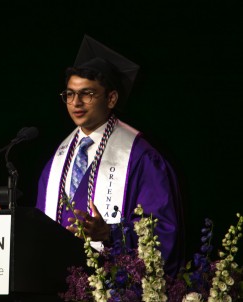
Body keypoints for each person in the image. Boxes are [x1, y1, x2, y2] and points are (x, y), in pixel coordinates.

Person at [35, 34, 185, 276]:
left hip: (114, 292)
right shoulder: (58, 160)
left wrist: (110, 234)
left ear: (111, 98)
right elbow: (40, 225)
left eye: (87, 94)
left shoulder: (141, 157)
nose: (76, 103)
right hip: (58, 285)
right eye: (70, 94)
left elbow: (163, 233)